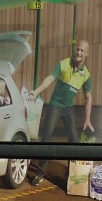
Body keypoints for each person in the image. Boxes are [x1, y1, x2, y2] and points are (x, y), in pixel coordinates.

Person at [28, 40, 94, 185]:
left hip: (68, 108)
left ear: (86, 54)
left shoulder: (86, 75)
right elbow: (49, 79)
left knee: (75, 140)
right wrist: (36, 91)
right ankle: (40, 172)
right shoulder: (64, 63)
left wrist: (88, 118)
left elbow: (88, 97)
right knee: (45, 137)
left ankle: (73, 174)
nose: (79, 52)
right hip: (55, 106)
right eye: (78, 49)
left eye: (82, 51)